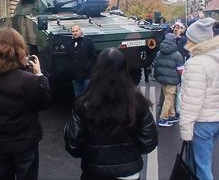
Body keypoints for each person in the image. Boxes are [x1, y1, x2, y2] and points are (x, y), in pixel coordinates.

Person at [64, 47, 158, 180]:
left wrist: (90, 154)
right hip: (128, 174)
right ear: (124, 69)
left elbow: (73, 144)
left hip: (94, 172)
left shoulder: (84, 103)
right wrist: (131, 153)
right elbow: (149, 141)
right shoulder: (137, 102)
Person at [0, 27, 51, 180]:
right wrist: (39, 75)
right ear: (19, 49)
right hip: (24, 143)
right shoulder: (28, 80)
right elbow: (44, 102)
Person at [179, 17, 219, 180]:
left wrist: (185, 130)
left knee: (203, 167)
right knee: (202, 161)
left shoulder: (196, 64)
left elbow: (192, 101)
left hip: (203, 122)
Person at [153, 33, 184, 127]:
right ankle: (163, 118)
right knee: (169, 98)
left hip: (162, 78)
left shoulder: (159, 52)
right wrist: (181, 80)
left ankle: (172, 115)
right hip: (172, 80)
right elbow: (180, 70)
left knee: (168, 97)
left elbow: (155, 64)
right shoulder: (177, 55)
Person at [67, 24, 97, 97]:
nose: (75, 33)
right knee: (79, 96)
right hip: (75, 75)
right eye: (73, 31)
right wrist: (70, 68)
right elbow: (68, 58)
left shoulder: (88, 42)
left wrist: (88, 66)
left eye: (76, 31)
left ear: (80, 31)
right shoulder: (69, 43)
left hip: (87, 74)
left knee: (88, 95)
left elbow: (93, 56)